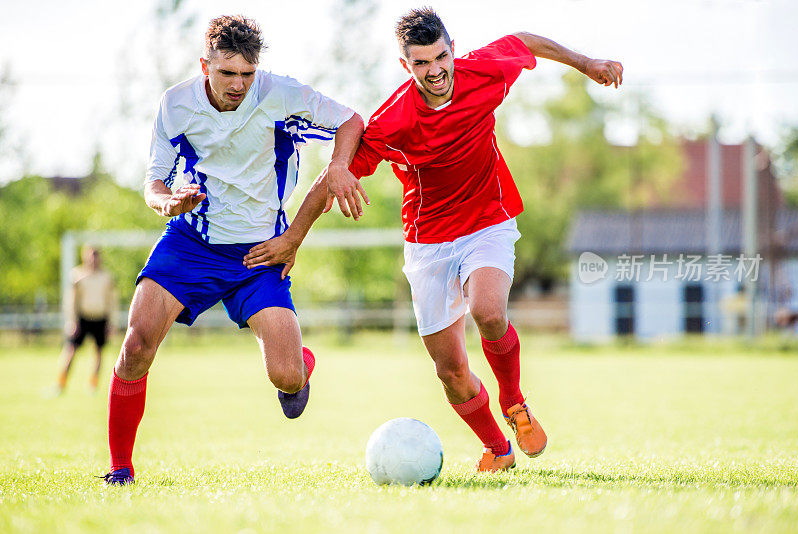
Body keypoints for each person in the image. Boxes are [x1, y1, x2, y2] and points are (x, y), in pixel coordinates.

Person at [328, 8, 623, 472]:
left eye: (441, 56)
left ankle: (514, 400)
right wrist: (295, 233)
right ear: (406, 65)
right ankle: (498, 448)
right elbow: (345, 162)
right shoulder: (395, 117)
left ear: (452, 47)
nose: (435, 70)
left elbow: (526, 40)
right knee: (450, 372)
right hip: (427, 243)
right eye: (421, 63)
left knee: (487, 310)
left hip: (489, 220)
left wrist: (586, 64)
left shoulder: (481, 70)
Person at [100, 15, 364, 485]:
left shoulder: (278, 94)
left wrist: (340, 166)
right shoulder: (176, 104)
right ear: (205, 65)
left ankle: (301, 366)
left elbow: (350, 120)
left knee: (285, 377)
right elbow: (153, 182)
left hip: (259, 252)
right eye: (227, 73)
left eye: (248, 72)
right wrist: (168, 202)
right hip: (191, 244)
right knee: (136, 345)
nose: (239, 84)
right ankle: (120, 469)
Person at [55, 246, 116, 394]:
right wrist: (72, 320)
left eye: (96, 256)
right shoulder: (77, 275)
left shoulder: (107, 277)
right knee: (70, 351)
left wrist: (111, 323)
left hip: (100, 318)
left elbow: (112, 301)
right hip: (82, 319)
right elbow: (71, 300)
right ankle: (60, 385)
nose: (93, 259)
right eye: (90, 256)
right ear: (85, 257)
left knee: (98, 353)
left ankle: (92, 386)